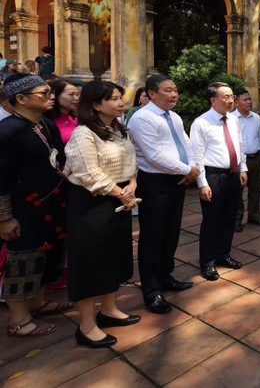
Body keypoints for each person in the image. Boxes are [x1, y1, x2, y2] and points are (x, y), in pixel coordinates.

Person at [63, 81, 140, 348]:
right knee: (90, 262)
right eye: (114, 99)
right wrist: (122, 193)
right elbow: (87, 173)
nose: (120, 103)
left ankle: (109, 309)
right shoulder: (83, 133)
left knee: (113, 258)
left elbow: (131, 162)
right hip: (92, 204)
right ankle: (86, 326)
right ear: (95, 104)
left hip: (118, 200)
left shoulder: (118, 129)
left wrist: (131, 185)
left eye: (121, 98)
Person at [0, 74, 71, 337]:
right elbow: (1, 178)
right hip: (23, 209)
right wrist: (4, 218)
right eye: (44, 93)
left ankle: (38, 302)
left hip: (52, 204)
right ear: (21, 99)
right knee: (23, 260)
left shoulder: (46, 124)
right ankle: (18, 320)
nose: (51, 96)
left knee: (49, 254)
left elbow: (60, 161)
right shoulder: (7, 131)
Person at [127, 75, 198, 314]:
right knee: (152, 237)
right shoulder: (142, 118)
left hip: (177, 180)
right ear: (152, 93)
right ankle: (151, 290)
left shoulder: (175, 117)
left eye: (175, 89)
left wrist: (191, 169)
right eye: (168, 90)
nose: (174, 94)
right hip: (155, 182)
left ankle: (166, 276)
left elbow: (186, 143)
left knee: (171, 232)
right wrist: (188, 170)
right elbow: (153, 155)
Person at [190, 83, 247, 280]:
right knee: (212, 220)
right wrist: (202, 183)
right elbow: (197, 155)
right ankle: (207, 262)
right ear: (213, 100)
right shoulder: (201, 123)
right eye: (225, 97)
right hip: (213, 177)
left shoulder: (233, 120)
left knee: (229, 218)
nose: (230, 100)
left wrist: (243, 168)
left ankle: (224, 254)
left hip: (232, 175)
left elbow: (239, 145)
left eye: (232, 96)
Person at [233, 89, 260, 232]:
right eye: (245, 100)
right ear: (236, 102)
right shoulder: (231, 119)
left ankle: (254, 215)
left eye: (249, 99)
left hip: (256, 158)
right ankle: (236, 219)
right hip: (239, 160)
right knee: (237, 191)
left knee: (255, 189)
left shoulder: (256, 117)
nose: (249, 102)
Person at [46, 79, 80, 144]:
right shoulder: (46, 122)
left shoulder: (77, 119)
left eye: (77, 94)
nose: (76, 98)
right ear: (55, 95)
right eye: (71, 94)